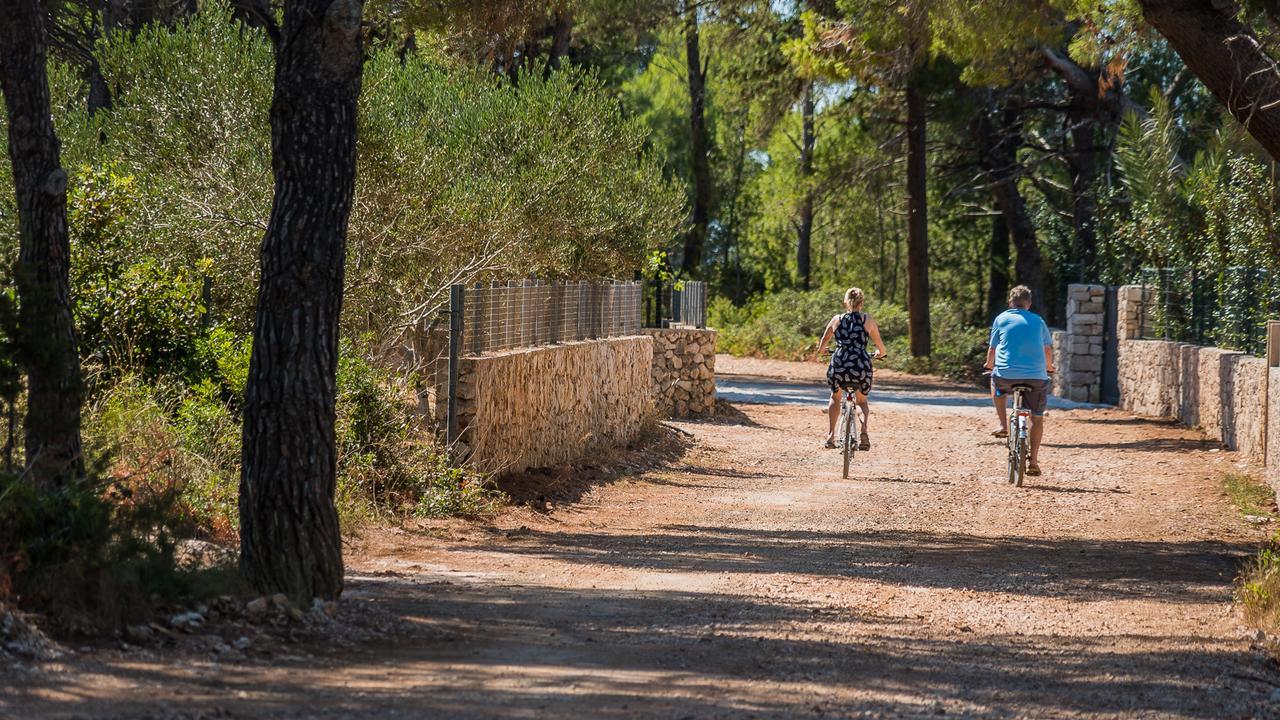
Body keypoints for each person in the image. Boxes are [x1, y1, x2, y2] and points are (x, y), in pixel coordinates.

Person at [985, 285, 1055, 476]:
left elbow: (993, 349)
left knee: (995, 382)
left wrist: (988, 365)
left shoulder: (1001, 318)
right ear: (1029, 304)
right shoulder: (1038, 321)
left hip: (1006, 375)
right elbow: (1047, 350)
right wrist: (1049, 367)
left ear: (1010, 302)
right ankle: (1033, 461)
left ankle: (1002, 424)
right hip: (1036, 378)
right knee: (1037, 418)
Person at [816, 287, 888, 450]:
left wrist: (824, 351)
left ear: (845, 302)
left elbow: (822, 345)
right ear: (861, 303)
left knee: (835, 397)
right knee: (861, 400)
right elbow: (881, 347)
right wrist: (879, 353)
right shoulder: (867, 320)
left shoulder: (837, 319)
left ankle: (830, 436)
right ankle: (863, 431)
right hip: (860, 365)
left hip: (840, 364)